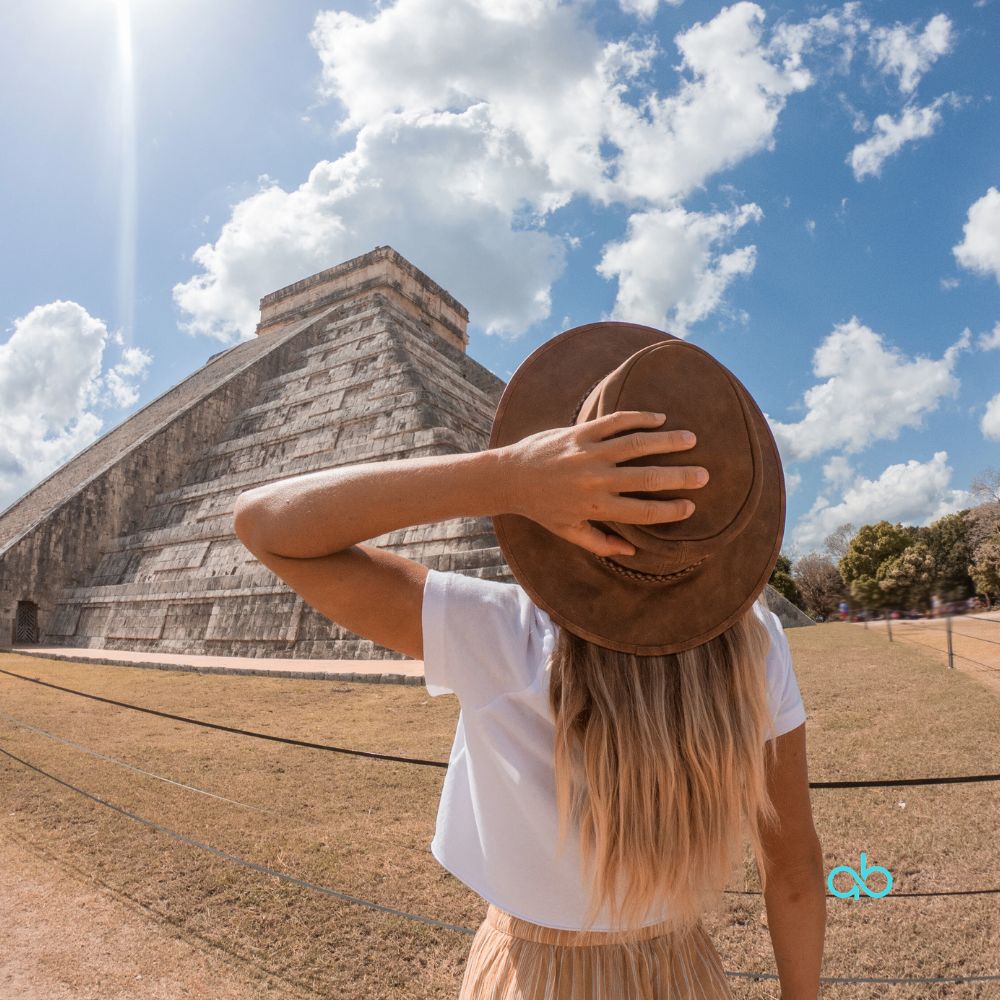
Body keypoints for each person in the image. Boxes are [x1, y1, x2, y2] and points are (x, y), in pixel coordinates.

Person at [233, 321, 826, 999]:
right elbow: (796, 870)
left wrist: (508, 476)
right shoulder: (757, 643)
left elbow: (265, 522)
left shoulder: (500, 631)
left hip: (531, 977)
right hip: (683, 972)